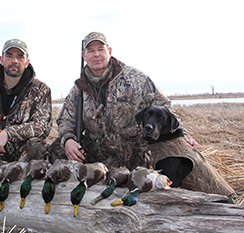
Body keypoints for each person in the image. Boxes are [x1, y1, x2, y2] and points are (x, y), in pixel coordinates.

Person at [50, 32, 235, 198]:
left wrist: (182, 131)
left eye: (100, 49)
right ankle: (61, 194)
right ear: (84, 56)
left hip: (135, 155)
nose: (96, 54)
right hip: (96, 157)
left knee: (180, 148)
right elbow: (66, 119)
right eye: (90, 51)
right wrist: (68, 139)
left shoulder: (135, 78)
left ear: (110, 51)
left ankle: (221, 199)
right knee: (56, 147)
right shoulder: (78, 90)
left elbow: (164, 106)